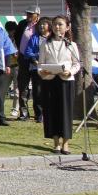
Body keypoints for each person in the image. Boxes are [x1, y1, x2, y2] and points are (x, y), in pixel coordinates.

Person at [38, 15, 80, 154]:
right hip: (49, 80)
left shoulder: (71, 44)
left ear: (67, 27)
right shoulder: (45, 43)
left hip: (65, 81)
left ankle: (66, 143)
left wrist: (71, 72)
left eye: (60, 24)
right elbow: (40, 64)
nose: (57, 27)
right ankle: (56, 142)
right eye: (55, 24)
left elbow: (77, 64)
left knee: (65, 112)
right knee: (51, 110)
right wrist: (42, 72)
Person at [23, 17, 52, 124]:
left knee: (50, 92)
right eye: (40, 24)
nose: (41, 26)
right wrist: (36, 59)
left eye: (44, 24)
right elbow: (28, 52)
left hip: (51, 69)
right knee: (38, 92)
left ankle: (50, 113)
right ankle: (39, 114)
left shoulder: (53, 38)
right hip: (37, 68)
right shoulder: (34, 38)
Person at [15, 7, 41, 120]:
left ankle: (39, 113)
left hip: (36, 59)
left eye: (31, 14)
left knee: (38, 87)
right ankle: (24, 113)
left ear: (37, 15)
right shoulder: (22, 24)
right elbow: (17, 37)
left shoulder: (41, 25)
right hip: (23, 59)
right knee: (23, 86)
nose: (29, 16)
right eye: (28, 14)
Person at [4, 20, 20, 116]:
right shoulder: (5, 39)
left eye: (12, 30)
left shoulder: (19, 39)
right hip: (7, 66)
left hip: (17, 66)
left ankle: (15, 109)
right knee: (3, 88)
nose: (11, 32)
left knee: (17, 90)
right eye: (9, 30)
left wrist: (17, 53)